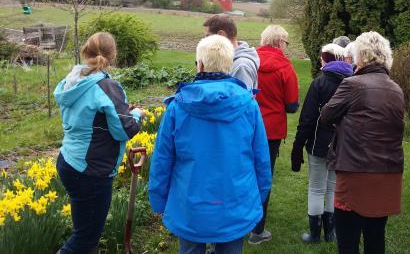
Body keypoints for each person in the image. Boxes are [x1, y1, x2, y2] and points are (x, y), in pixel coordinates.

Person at [148, 35, 272, 254]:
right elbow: (261, 158)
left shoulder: (178, 107)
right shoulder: (249, 106)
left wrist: (159, 198)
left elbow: (163, 159)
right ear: (229, 65)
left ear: (200, 64)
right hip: (235, 201)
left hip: (191, 204)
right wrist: (259, 194)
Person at [54, 32, 144, 254]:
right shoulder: (107, 86)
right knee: (84, 239)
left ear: (87, 50)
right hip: (91, 171)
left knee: (83, 232)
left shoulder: (72, 80)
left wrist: (123, 112)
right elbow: (123, 130)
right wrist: (138, 115)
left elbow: (93, 115)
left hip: (69, 161)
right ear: (112, 55)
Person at [320, 31, 405, 254]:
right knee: (375, 238)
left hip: (355, 170)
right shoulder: (396, 88)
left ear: (361, 55)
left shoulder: (353, 84)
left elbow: (327, 115)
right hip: (387, 172)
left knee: (348, 240)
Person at [291, 43, 353, 244]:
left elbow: (308, 118)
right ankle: (330, 233)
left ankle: (315, 235)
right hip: (342, 145)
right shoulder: (352, 83)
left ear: (326, 59)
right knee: (332, 187)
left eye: (321, 57)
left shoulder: (320, 83)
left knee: (317, 188)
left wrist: (298, 145)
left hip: (319, 143)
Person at [249, 24, 300, 244]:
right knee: (264, 175)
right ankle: (257, 231)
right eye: (286, 42)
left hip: (247, 125)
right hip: (270, 130)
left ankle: (237, 222)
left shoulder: (249, 61)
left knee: (242, 171)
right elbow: (291, 105)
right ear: (280, 41)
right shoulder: (285, 67)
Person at [203, 14, 260, 91]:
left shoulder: (241, 66)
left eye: (207, 36)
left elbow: (242, 101)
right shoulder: (224, 60)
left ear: (221, 35)